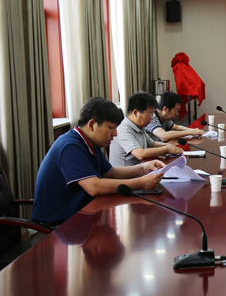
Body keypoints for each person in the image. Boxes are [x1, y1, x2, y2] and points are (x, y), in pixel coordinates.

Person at [31, 97, 165, 227]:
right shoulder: (70, 146)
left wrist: (143, 168)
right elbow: (94, 187)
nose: (115, 134)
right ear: (92, 125)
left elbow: (110, 173)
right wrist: (140, 183)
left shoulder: (90, 143)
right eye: (111, 127)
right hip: (61, 224)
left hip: (83, 214)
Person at [109, 91, 184, 167]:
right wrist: (166, 149)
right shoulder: (124, 130)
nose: (151, 118)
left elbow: (152, 144)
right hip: (127, 173)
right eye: (149, 114)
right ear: (136, 113)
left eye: (152, 114)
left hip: (142, 168)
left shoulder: (139, 126)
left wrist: (168, 145)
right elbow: (140, 154)